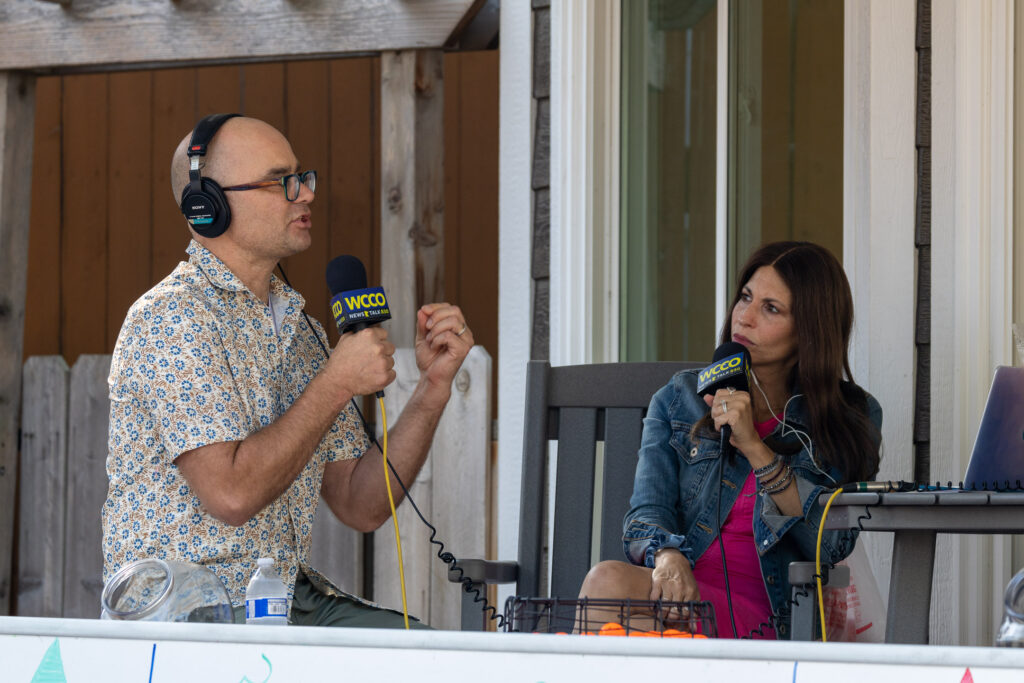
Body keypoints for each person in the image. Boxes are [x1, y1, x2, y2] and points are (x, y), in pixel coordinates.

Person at [101, 114, 474, 628]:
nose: (306, 195)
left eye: (304, 178)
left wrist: (434, 387)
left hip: (278, 602)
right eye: (282, 182)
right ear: (207, 205)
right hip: (185, 612)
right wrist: (338, 381)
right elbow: (231, 495)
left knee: (436, 660)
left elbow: (361, 503)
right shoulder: (170, 317)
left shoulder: (303, 332)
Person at [578, 241, 882, 640]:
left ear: (809, 330)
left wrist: (756, 448)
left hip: (771, 611)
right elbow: (645, 515)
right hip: (679, 597)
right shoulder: (680, 397)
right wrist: (667, 556)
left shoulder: (847, 415)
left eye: (770, 308)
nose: (746, 317)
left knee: (615, 601)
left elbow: (831, 544)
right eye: (746, 298)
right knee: (609, 585)